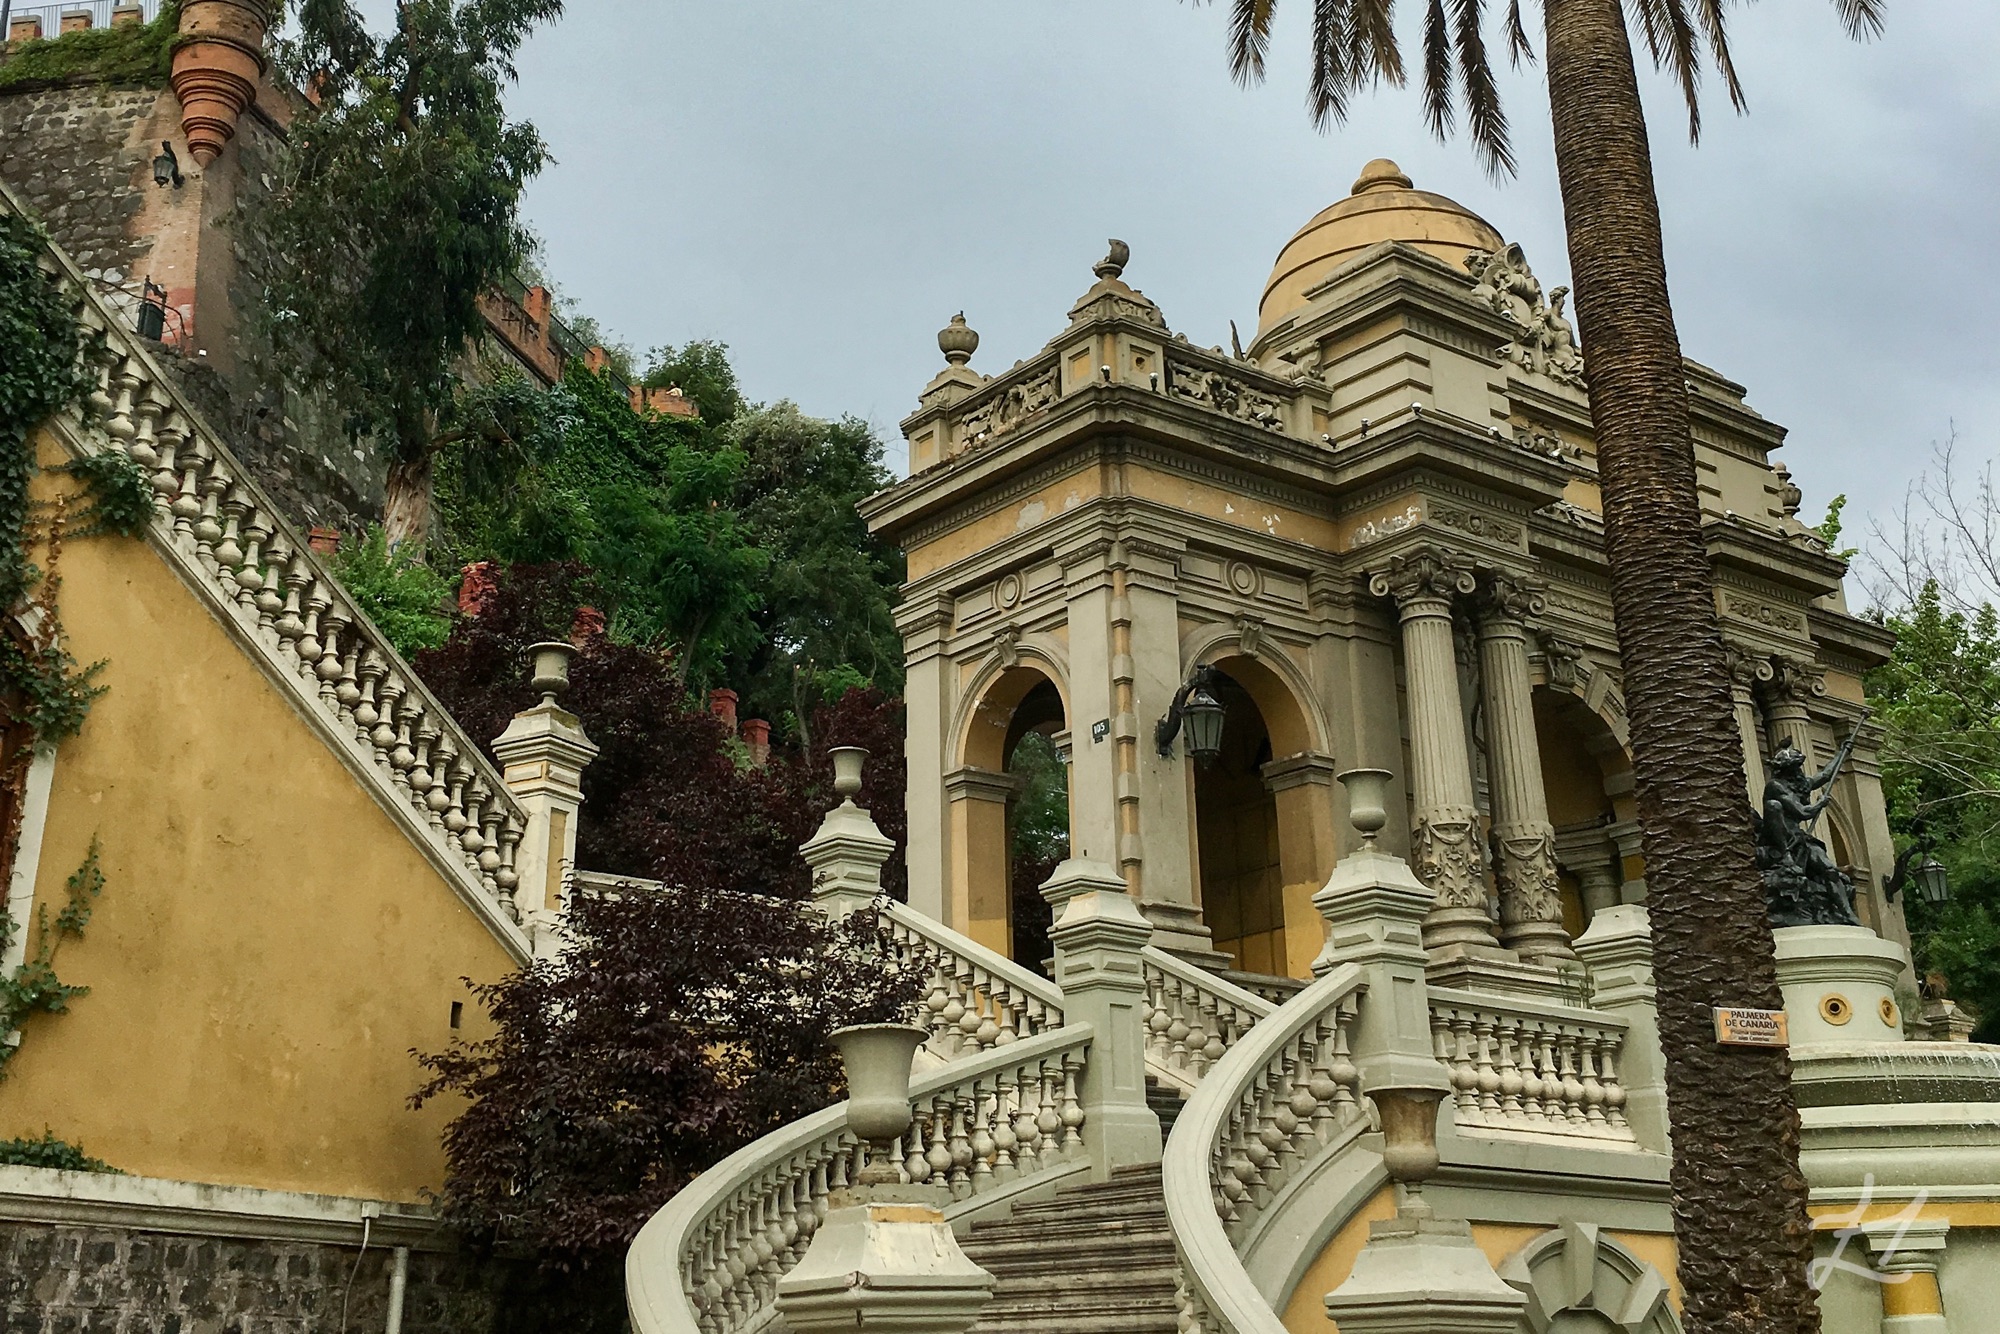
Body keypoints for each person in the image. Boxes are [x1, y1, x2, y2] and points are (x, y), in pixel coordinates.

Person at [1757, 730, 1861, 927]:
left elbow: (1825, 775)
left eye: (1799, 766)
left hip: (1800, 839)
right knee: (1774, 807)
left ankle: (1847, 914)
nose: (1799, 770)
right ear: (1784, 770)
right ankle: (1785, 857)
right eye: (1794, 767)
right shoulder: (1776, 787)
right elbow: (1802, 812)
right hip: (1781, 840)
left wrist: (1842, 753)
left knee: (1829, 869)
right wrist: (1820, 804)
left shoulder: (1799, 783)